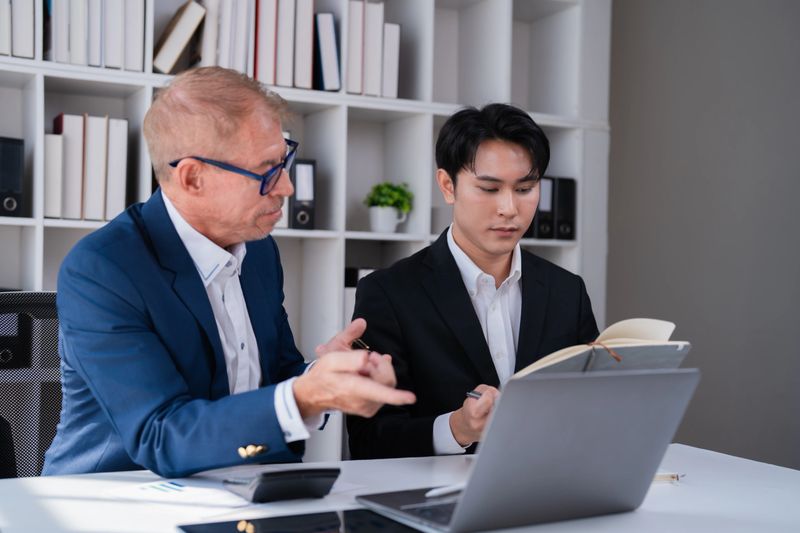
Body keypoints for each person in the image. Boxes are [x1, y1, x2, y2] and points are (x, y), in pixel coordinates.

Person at [43, 67, 414, 478]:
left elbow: (277, 377)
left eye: (284, 159)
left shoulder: (259, 252)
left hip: (236, 488)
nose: (287, 187)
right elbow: (159, 434)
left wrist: (325, 377)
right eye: (266, 170)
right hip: (113, 497)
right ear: (192, 177)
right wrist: (306, 395)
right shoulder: (103, 269)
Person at [347, 103, 598, 459]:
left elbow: (591, 412)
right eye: (489, 189)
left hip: (550, 494)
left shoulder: (566, 292)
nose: (509, 208)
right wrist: (456, 429)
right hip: (436, 503)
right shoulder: (389, 293)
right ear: (448, 186)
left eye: (525, 189)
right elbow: (368, 440)